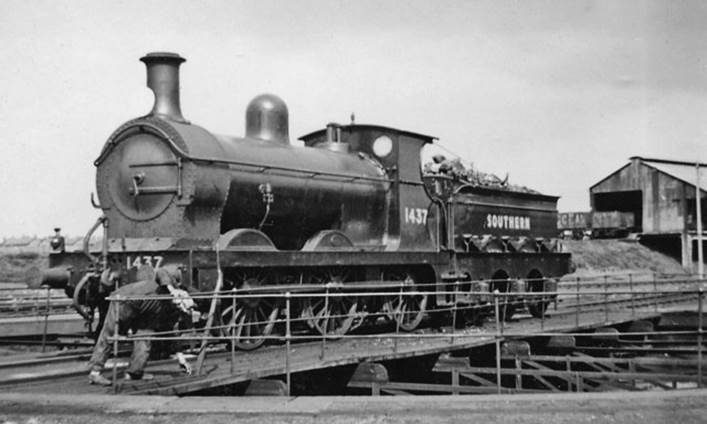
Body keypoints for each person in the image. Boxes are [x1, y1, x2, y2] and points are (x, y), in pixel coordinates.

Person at [87, 265, 195, 386]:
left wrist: (182, 359)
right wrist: (173, 290)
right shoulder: (163, 287)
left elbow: (171, 333)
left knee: (145, 335)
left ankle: (134, 372)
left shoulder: (169, 308)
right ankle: (95, 372)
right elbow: (160, 271)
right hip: (124, 301)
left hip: (144, 310)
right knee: (110, 334)